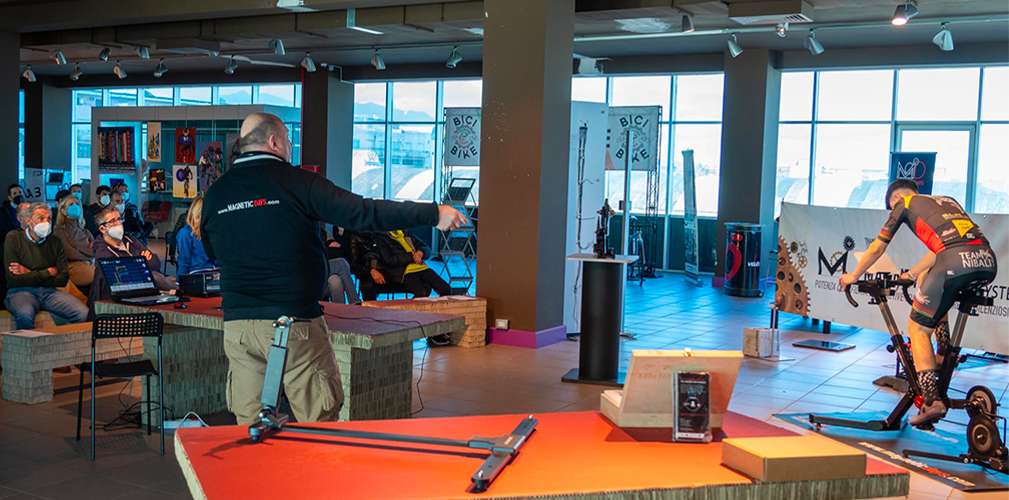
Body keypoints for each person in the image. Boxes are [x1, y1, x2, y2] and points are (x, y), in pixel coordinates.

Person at [201, 112, 467, 426]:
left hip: (239, 327)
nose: (290, 146)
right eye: (288, 140)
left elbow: (213, 251)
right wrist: (433, 213)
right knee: (319, 423)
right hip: (294, 323)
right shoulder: (298, 183)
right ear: (273, 142)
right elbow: (363, 212)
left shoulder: (216, 194)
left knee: (252, 428)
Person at [840, 180, 997, 426]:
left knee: (918, 327)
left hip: (954, 263)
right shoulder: (947, 201)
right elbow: (942, 249)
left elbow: (877, 248)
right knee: (932, 285)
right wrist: (913, 274)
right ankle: (942, 357)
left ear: (896, 199)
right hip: (986, 262)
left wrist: (854, 275)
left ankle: (931, 400)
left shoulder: (904, 204)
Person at [3, 202, 89, 330]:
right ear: (28, 221)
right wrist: (48, 272)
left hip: (50, 291)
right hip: (20, 291)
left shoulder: (55, 242)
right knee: (25, 314)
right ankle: (28, 343)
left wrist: (28, 272)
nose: (46, 222)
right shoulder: (14, 239)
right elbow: (14, 279)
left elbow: (63, 279)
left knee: (82, 313)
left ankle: (59, 341)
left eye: (49, 218)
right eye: (41, 218)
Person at [88, 207, 177, 317]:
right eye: (113, 221)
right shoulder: (102, 252)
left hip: (142, 291)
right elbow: (122, 276)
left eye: (119, 219)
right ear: (102, 229)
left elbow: (156, 262)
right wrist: (142, 262)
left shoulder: (131, 240)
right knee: (156, 277)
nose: (118, 223)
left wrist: (136, 265)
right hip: (117, 299)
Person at [52, 195, 95, 288]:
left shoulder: (85, 231)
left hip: (89, 264)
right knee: (96, 273)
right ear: (63, 211)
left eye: (77, 204)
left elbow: (95, 249)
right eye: (71, 204)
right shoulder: (59, 231)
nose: (75, 206)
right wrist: (87, 254)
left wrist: (78, 249)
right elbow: (70, 253)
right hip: (71, 267)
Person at [176, 197, 216, 276]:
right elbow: (184, 260)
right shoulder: (185, 233)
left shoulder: (209, 231)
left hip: (211, 272)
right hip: (197, 274)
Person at [0, 184, 24, 298]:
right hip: (9, 246)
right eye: (15, 193)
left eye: (20, 192)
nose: (18, 195)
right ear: (10, 197)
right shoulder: (3, 212)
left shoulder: (29, 210)